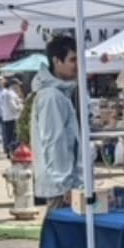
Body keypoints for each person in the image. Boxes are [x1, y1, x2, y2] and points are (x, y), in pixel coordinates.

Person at [32, 34, 82, 209]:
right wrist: (64, 185)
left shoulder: (62, 94)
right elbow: (54, 143)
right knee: (62, 231)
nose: (78, 65)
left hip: (67, 185)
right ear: (56, 61)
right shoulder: (51, 97)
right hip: (61, 188)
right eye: (73, 59)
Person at [0, 78, 23, 156]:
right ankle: (12, 152)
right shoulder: (11, 94)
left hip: (7, 117)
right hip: (12, 117)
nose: (19, 87)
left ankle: (9, 151)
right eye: (17, 85)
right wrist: (19, 107)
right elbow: (13, 106)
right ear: (14, 85)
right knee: (13, 136)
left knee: (9, 136)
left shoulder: (6, 93)